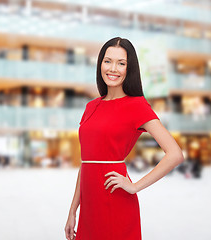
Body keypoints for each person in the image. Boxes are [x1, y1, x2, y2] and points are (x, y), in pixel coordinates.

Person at [64, 37, 184, 240]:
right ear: (100, 63)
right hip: (90, 206)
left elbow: (175, 154)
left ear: (130, 69)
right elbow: (87, 163)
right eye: (108, 61)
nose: (113, 68)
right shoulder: (91, 106)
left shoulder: (137, 106)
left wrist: (135, 186)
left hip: (116, 199)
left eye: (121, 63)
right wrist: (73, 210)